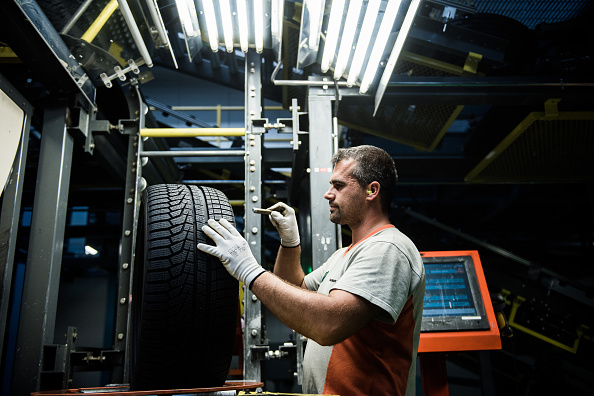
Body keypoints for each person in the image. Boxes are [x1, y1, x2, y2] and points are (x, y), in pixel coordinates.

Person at [198, 145, 425, 395]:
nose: (328, 194)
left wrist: (249, 270)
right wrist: (289, 242)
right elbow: (293, 292)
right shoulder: (345, 254)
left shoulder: (388, 248)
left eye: (338, 186)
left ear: (371, 190)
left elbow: (328, 324)